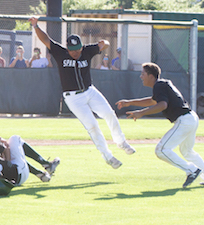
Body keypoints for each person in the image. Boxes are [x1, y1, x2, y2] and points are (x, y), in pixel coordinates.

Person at [30, 16, 135, 168]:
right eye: (72, 50)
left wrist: (102, 44)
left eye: (77, 49)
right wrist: (35, 26)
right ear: (67, 49)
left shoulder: (86, 51)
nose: (75, 53)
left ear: (81, 46)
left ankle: (121, 142)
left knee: (109, 113)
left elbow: (104, 43)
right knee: (92, 126)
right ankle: (108, 156)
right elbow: (46, 40)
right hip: (73, 98)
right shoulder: (60, 52)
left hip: (90, 91)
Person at [116, 63, 204, 188]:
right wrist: (130, 103)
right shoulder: (161, 85)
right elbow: (152, 101)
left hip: (184, 120)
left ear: (151, 76)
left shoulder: (159, 85)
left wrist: (141, 113)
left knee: (161, 150)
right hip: (191, 118)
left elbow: (162, 105)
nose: (141, 76)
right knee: (187, 151)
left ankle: (191, 170)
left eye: (143, 74)